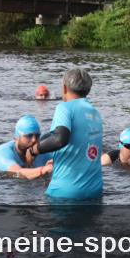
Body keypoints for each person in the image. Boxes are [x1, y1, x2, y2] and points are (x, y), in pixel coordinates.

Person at [29, 68, 103, 200]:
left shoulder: (64, 108)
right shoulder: (95, 113)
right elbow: (82, 145)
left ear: (64, 88)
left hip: (66, 193)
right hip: (95, 191)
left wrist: (33, 150)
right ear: (88, 90)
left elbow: (59, 139)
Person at [0, 115, 54, 180]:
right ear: (16, 137)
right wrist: (43, 170)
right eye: (29, 136)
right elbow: (16, 173)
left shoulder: (43, 153)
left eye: (37, 136)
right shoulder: (2, 152)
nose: (34, 140)